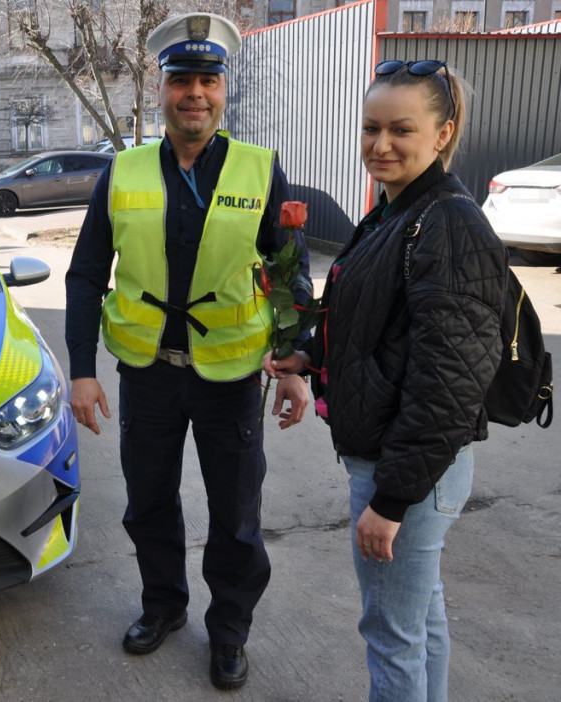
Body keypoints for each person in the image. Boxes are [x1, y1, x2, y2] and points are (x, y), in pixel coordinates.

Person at [65, 12, 311, 691]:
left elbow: (290, 273)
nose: (194, 94)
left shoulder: (261, 171)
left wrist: (295, 362)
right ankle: (163, 606)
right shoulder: (123, 172)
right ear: (161, 88)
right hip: (146, 375)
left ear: (223, 89)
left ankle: (229, 631)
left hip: (231, 378)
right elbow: (85, 275)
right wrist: (82, 373)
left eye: (208, 79)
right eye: (182, 80)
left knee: (235, 518)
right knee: (147, 505)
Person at [265, 60, 508, 700]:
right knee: (420, 620)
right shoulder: (398, 211)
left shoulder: (448, 223)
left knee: (391, 635)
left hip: (408, 472)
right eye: (371, 128)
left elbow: (449, 382)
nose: (381, 144)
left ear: (443, 132)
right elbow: (375, 323)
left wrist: (391, 502)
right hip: (404, 466)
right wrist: (310, 354)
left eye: (402, 129)